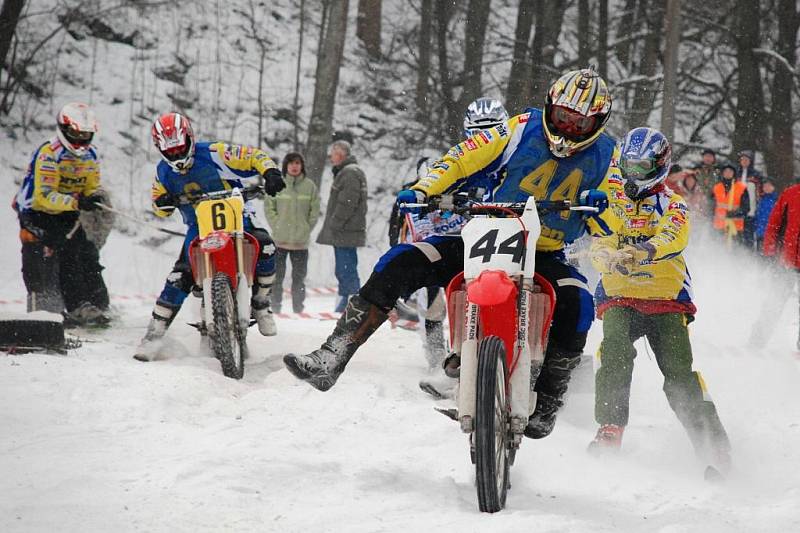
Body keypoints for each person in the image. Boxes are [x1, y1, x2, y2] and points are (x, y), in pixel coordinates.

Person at [284, 67, 617, 440]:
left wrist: (606, 206)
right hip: (486, 235)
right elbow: (462, 157)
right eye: (562, 117)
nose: (569, 128)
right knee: (400, 260)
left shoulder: (609, 155)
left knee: (580, 304)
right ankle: (333, 353)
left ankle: (551, 398)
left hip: (546, 252)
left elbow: (620, 208)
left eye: (579, 122)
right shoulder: (518, 128)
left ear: (598, 123)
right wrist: (425, 188)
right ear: (549, 108)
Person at [588, 127, 731, 473]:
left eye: (642, 168)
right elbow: (599, 236)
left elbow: (673, 235)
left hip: (666, 299)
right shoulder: (613, 200)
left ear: (660, 167)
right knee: (615, 352)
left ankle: (714, 449)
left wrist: (644, 250)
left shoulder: (674, 203)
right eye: (630, 167)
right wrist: (604, 256)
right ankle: (610, 428)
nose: (634, 175)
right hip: (621, 296)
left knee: (680, 376)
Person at [134, 112, 285, 359]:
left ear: (190, 140)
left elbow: (253, 156)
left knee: (267, 247)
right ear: (161, 149)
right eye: (170, 152)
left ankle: (261, 302)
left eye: (180, 148)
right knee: (180, 275)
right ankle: (153, 334)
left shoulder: (215, 153)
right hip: (199, 227)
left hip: (238, 216)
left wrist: (270, 172)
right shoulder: (163, 172)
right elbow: (158, 207)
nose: (177, 156)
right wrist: (163, 201)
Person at [12, 102, 111, 326]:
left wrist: (93, 198)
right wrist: (76, 202)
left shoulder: (91, 155)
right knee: (49, 252)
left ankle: (91, 302)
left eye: (85, 134)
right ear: (64, 129)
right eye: (76, 133)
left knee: (83, 251)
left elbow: (91, 185)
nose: (80, 139)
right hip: (36, 212)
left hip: (66, 211)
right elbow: (43, 196)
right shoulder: (50, 154)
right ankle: (48, 308)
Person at [316, 140, 368, 313]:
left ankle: (353, 305)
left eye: (334, 152)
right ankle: (346, 303)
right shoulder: (348, 171)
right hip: (346, 230)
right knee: (344, 267)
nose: (331, 156)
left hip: (346, 231)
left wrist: (335, 223)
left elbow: (347, 202)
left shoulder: (349, 173)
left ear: (342, 154)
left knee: (346, 268)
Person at [265, 152, 320, 314]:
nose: (294, 167)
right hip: (280, 240)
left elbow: (314, 211)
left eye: (297, 163)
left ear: (302, 165)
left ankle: (298, 309)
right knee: (277, 278)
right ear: (286, 166)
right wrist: (277, 225)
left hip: (300, 242)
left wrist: (306, 228)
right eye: (291, 163)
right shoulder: (278, 183)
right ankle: (275, 307)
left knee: (299, 279)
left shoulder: (310, 186)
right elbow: (269, 208)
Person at [751, 181, 800, 349]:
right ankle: (757, 341)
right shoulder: (790, 193)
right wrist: (770, 252)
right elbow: (774, 223)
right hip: (785, 259)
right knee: (774, 300)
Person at [711, 163, 750, 246]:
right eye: (725, 171)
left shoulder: (742, 187)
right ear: (722, 173)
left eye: (730, 171)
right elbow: (711, 207)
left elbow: (746, 208)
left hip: (736, 227)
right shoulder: (716, 187)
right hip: (719, 226)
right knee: (718, 251)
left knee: (735, 252)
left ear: (734, 173)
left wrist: (734, 214)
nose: (728, 173)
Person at [737, 150, 763, 250]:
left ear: (750, 161)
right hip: (738, 207)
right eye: (742, 159)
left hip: (751, 207)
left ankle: (750, 252)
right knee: (738, 233)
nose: (744, 161)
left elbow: (760, 189)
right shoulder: (736, 173)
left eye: (746, 159)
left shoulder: (755, 174)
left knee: (750, 233)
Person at [754, 178, 778, 253]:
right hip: (760, 232)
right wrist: (756, 227)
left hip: (771, 233)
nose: (766, 188)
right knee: (760, 254)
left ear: (773, 187)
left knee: (771, 255)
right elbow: (757, 215)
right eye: (765, 186)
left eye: (769, 186)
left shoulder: (777, 200)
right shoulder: (760, 199)